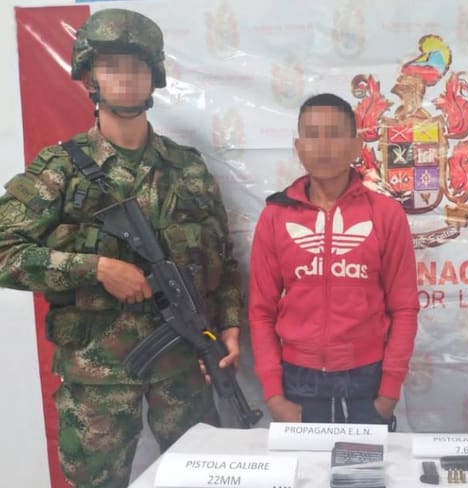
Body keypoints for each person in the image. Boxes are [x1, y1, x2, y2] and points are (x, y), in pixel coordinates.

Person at [0, 9, 242, 487]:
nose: (126, 78)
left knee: (201, 478)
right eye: (111, 66)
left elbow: (222, 258)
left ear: (155, 75)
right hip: (97, 378)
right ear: (90, 77)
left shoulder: (187, 168)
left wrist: (229, 324)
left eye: (137, 66)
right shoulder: (60, 169)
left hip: (184, 369)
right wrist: (95, 268)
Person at [248, 93, 418, 430]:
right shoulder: (275, 216)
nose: (323, 146)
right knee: (304, 466)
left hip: (367, 380)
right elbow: (261, 311)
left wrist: (387, 394)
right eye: (312, 135)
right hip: (297, 381)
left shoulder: (386, 214)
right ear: (298, 147)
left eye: (335, 134)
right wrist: (273, 396)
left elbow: (404, 308)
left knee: (365, 468)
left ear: (356, 146)